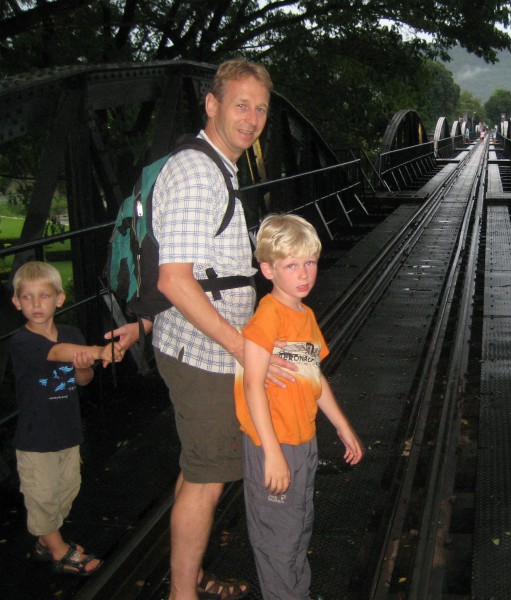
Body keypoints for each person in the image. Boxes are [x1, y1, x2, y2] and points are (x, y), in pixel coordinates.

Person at [105, 58, 290, 600]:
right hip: (206, 354)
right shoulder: (194, 172)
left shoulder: (218, 165)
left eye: (260, 108)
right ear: (211, 104)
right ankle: (182, 594)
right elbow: (176, 279)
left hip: (208, 348)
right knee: (206, 481)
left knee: (197, 473)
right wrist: (241, 346)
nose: (252, 118)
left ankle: (189, 577)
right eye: (240, 105)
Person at [235, 214, 364, 600]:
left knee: (298, 527)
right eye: (291, 265)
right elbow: (253, 386)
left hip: (302, 440)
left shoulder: (303, 315)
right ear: (268, 269)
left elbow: (314, 377)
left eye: (310, 262)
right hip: (273, 444)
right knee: (277, 537)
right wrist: (272, 452)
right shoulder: (266, 318)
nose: (304, 274)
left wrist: (341, 426)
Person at [9, 261, 123, 576]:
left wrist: (85, 363)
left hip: (67, 432)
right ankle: (60, 551)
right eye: (27, 297)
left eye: (43, 296)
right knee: (42, 496)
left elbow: (83, 379)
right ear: (17, 303)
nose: (35, 304)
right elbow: (57, 353)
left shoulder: (71, 334)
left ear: (59, 299)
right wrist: (99, 351)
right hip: (36, 438)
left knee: (67, 489)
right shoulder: (23, 341)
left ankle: (47, 538)